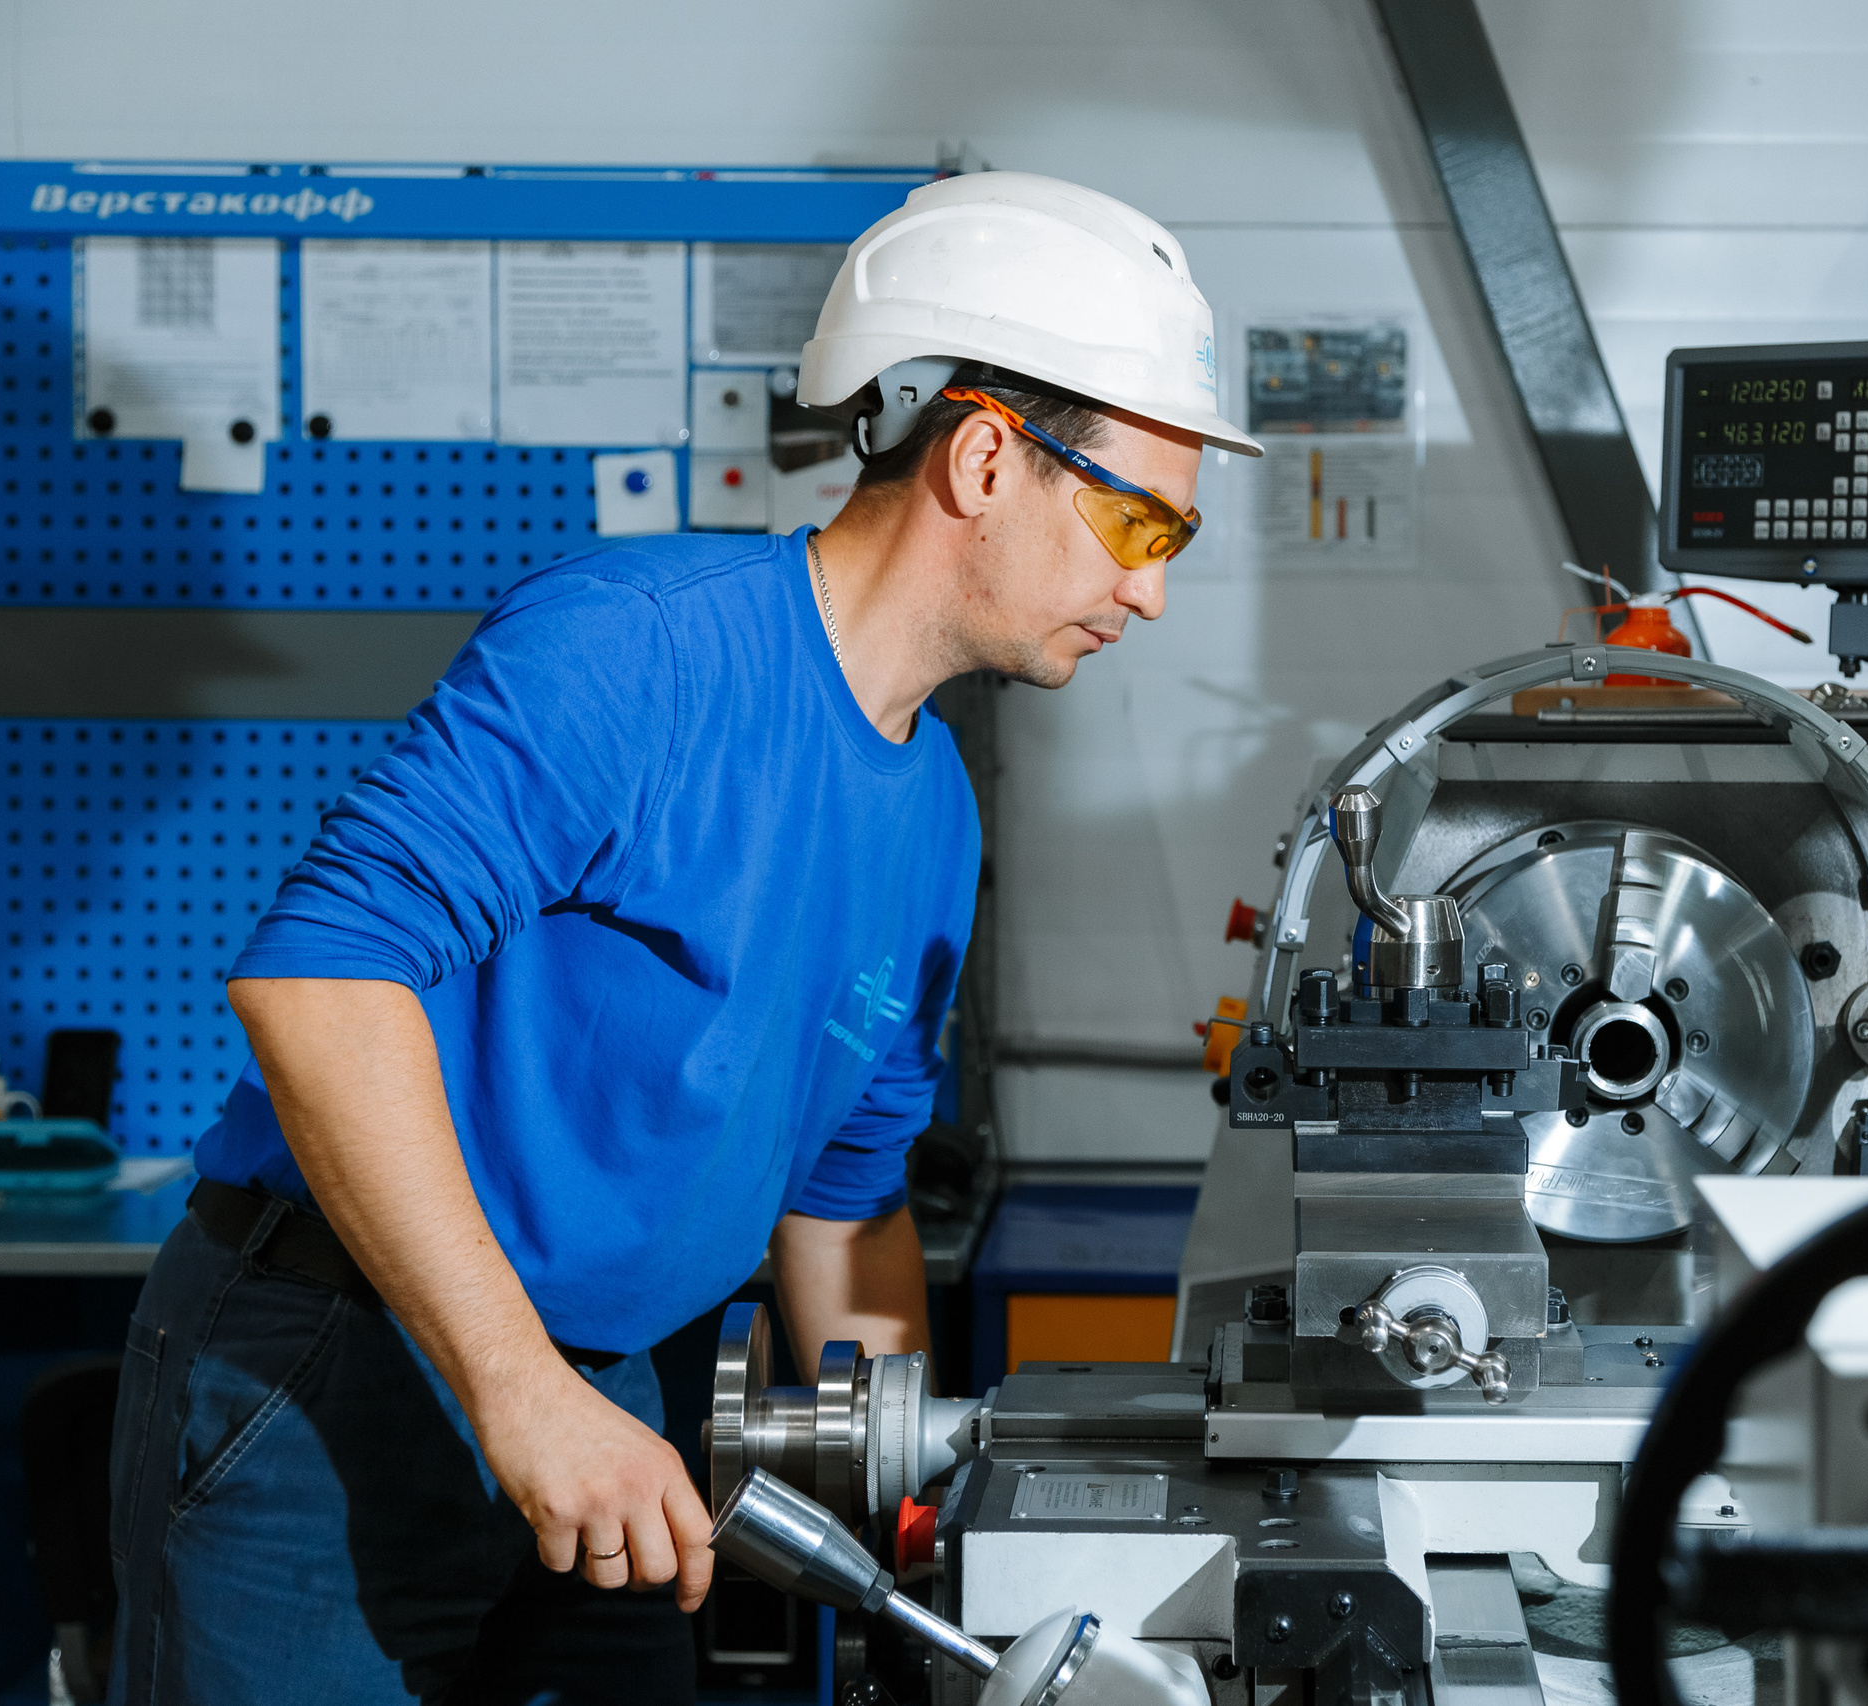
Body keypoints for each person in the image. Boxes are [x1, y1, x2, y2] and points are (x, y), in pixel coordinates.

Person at [105, 171, 1261, 1706]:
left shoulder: (934, 812)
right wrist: (520, 1393)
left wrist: (909, 1499)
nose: (1154, 588)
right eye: (1136, 518)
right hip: (344, 1371)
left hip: (609, 1412)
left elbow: (843, 1210)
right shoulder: (642, 649)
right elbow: (319, 978)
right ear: (986, 457)